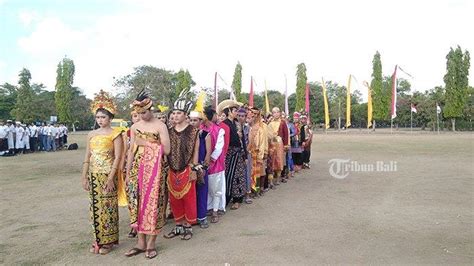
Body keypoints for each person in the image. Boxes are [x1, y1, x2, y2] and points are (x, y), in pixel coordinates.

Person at [125, 90, 170, 259]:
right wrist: (128, 172)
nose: (142, 116)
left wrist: (147, 143)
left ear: (151, 109)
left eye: (144, 112)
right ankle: (140, 242)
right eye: (138, 113)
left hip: (156, 170)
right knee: (136, 204)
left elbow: (166, 149)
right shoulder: (135, 127)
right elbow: (131, 151)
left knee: (154, 204)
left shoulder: (160, 126)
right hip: (137, 168)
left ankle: (151, 243)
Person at [81, 90, 123, 255]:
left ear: (110, 118)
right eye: (98, 117)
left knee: (108, 208)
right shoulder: (91, 134)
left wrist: (111, 178)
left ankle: (109, 241)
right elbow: (87, 156)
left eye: (103, 117)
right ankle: (97, 239)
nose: (100, 120)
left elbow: (118, 157)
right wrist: (84, 176)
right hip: (93, 175)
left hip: (108, 175)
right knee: (94, 208)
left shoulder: (115, 134)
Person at [164, 91, 200, 241]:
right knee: (174, 199)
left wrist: (194, 168)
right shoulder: (169, 131)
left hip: (187, 168)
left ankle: (188, 227)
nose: (176, 116)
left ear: (186, 115)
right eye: (174, 113)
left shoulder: (194, 131)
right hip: (172, 169)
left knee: (189, 198)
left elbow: (196, 150)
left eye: (179, 113)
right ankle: (178, 225)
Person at [218, 99, 247, 210]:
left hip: (238, 154)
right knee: (227, 176)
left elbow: (242, 141)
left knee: (237, 176)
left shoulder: (237, 124)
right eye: (234, 110)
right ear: (229, 111)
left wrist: (244, 155)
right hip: (228, 154)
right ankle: (226, 198)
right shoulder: (223, 125)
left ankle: (237, 199)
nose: (236, 112)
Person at [202, 106, 225, 223]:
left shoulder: (219, 130)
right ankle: (208, 208)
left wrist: (210, 159)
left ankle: (215, 210)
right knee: (205, 188)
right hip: (202, 164)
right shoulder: (200, 128)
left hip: (214, 165)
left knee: (215, 189)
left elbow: (219, 148)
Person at [189, 110, 211, 228]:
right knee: (190, 192)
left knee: (202, 190)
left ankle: (202, 217)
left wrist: (204, 167)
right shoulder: (186, 135)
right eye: (191, 120)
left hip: (201, 166)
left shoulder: (205, 134)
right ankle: (191, 217)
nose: (192, 122)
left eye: (195, 120)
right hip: (189, 167)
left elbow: (208, 152)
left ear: (200, 121)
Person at [124, 110, 141, 238]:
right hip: (132, 167)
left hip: (147, 168)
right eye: (135, 116)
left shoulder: (151, 131)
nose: (138, 117)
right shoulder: (128, 133)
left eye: (140, 114)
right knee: (132, 197)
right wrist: (127, 171)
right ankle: (134, 225)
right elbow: (128, 152)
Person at [248, 107, 268, 197]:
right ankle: (252, 190)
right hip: (249, 153)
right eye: (253, 114)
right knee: (251, 173)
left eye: (256, 114)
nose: (254, 116)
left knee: (259, 172)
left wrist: (262, 154)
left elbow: (263, 142)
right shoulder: (248, 126)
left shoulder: (262, 127)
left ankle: (258, 189)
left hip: (258, 152)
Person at [267, 107, 289, 186]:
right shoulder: (270, 123)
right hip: (271, 144)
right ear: (272, 114)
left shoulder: (283, 123)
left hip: (280, 144)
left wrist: (286, 145)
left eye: (277, 112)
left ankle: (278, 178)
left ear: (279, 113)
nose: (276, 114)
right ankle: (271, 180)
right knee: (271, 161)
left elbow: (286, 134)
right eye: (274, 112)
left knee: (279, 161)